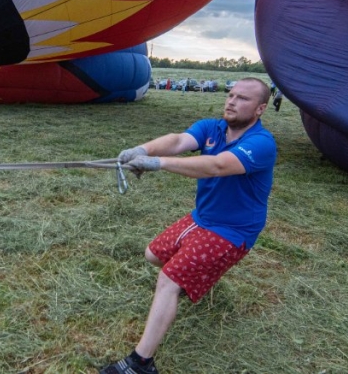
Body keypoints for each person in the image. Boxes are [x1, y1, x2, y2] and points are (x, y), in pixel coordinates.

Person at [100, 77, 277, 374]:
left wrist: (160, 164)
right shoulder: (213, 127)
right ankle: (197, 278)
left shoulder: (261, 143)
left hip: (232, 231)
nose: (232, 101)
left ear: (260, 109)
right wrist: (142, 149)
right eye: (231, 95)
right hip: (202, 218)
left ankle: (141, 363)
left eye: (242, 99)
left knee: (169, 280)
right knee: (152, 255)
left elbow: (217, 166)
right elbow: (178, 140)